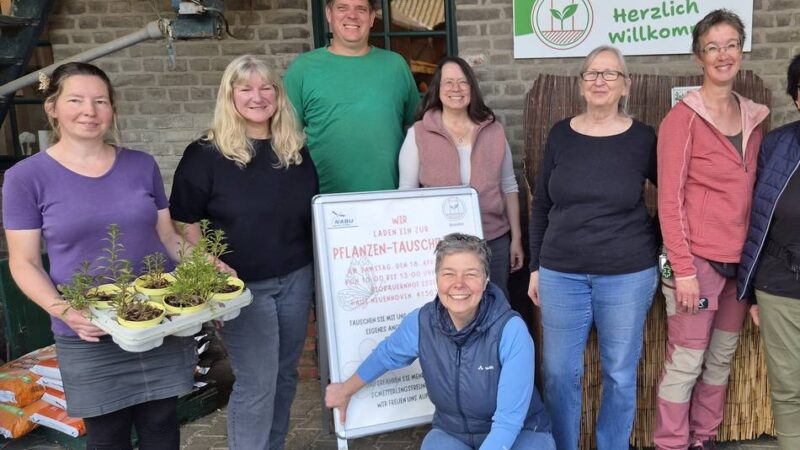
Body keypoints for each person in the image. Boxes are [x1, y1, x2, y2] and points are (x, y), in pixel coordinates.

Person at [1, 62, 196, 450]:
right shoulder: (26, 178)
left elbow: (167, 237)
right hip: (88, 329)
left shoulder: (141, 164)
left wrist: (208, 267)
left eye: (100, 101)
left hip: (156, 320)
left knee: (162, 425)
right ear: (52, 108)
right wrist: (65, 311)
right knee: (107, 436)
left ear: (112, 109)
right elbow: (24, 262)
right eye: (76, 100)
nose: (89, 111)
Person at [169, 55, 318, 450]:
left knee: (284, 376)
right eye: (246, 88)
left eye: (266, 87)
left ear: (278, 95)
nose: (257, 96)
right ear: (229, 95)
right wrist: (209, 275)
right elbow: (184, 223)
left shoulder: (293, 150)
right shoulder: (205, 154)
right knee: (257, 382)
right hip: (241, 287)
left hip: (295, 277)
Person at [526, 46, 659, 450]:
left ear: (625, 85)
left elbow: (671, 198)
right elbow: (542, 203)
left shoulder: (643, 138)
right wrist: (535, 266)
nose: (600, 81)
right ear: (581, 84)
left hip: (626, 274)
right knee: (558, 373)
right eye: (592, 74)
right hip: (560, 273)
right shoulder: (560, 134)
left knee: (619, 372)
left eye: (610, 74)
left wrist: (652, 243)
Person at [654, 10, 770, 450]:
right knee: (686, 361)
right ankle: (671, 443)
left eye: (731, 45)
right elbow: (669, 201)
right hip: (696, 264)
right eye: (712, 47)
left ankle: (702, 439)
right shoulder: (682, 119)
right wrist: (682, 269)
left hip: (738, 266)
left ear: (741, 50)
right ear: (698, 56)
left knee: (720, 360)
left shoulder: (754, 118)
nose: (723, 55)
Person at [326, 233, 554, 450]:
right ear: (437, 278)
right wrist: (345, 390)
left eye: (471, 274)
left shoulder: (511, 330)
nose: (459, 283)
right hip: (454, 433)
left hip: (521, 433)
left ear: (485, 280)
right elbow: (386, 355)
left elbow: (508, 422)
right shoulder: (422, 322)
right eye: (449, 274)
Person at [398, 56, 523, 299]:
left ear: (472, 88)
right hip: (440, 245)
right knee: (449, 307)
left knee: (496, 304)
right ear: (438, 88)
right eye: (448, 82)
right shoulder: (419, 133)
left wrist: (516, 238)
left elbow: (509, 186)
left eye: (463, 82)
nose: (456, 88)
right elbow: (407, 192)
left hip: (493, 240)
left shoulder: (494, 131)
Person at [283, 0, 419, 194]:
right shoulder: (303, 69)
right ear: (329, 14)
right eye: (342, 8)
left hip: (390, 197)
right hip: (325, 200)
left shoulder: (396, 66)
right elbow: (283, 137)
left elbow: (417, 130)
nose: (352, 15)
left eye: (360, 9)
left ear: (371, 18)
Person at [737, 53, 800, 450]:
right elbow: (756, 219)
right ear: (796, 95)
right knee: (788, 386)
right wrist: (753, 292)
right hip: (781, 287)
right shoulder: (777, 146)